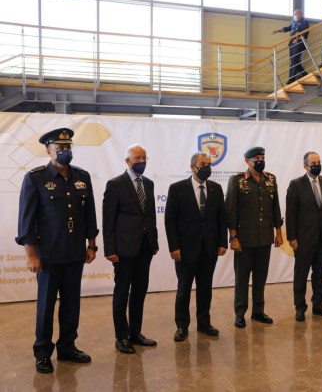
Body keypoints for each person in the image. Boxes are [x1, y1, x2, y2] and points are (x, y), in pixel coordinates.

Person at [16, 128, 98, 374]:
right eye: (60, 148)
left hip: (74, 253)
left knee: (71, 304)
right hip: (48, 255)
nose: (65, 152)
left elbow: (90, 214)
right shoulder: (36, 178)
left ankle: (67, 347)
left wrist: (91, 244)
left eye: (68, 147)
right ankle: (43, 353)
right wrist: (31, 254)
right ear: (48, 151)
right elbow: (26, 219)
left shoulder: (82, 176)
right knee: (46, 305)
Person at [165, 152, 228, 342]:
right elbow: (170, 220)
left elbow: (221, 218)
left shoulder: (216, 188)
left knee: (205, 288)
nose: (207, 168)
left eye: (209, 164)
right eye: (203, 164)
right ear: (193, 167)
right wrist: (174, 247)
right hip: (185, 250)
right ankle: (182, 326)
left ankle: (204, 323)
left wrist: (222, 242)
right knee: (184, 289)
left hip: (209, 249)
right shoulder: (177, 188)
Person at [103, 144, 159, 354]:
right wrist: (110, 249)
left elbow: (150, 215)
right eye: (137, 158)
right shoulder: (115, 184)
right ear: (127, 161)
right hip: (123, 249)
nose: (141, 161)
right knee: (121, 293)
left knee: (139, 292)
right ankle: (122, 336)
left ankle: (136, 333)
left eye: (144, 157)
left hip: (145, 248)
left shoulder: (149, 183)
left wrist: (154, 242)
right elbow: (108, 220)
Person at [226, 146, 283, 328]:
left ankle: (258, 311)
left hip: (265, 237)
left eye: (262, 158)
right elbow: (231, 210)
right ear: (247, 161)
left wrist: (278, 232)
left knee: (260, 278)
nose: (260, 161)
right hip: (244, 239)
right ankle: (240, 313)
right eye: (256, 159)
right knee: (242, 279)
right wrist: (233, 237)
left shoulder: (270, 179)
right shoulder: (237, 180)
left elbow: (275, 207)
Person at [286, 151, 322, 322]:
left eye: (319, 162)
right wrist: (292, 237)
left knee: (320, 273)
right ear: (305, 166)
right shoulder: (296, 184)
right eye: (313, 164)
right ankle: (300, 307)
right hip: (303, 239)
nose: (317, 166)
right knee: (301, 274)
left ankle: (318, 304)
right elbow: (291, 213)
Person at [273, 9, 310, 85]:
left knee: (294, 60)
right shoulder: (294, 23)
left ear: (300, 14)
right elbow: (287, 28)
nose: (294, 16)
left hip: (299, 44)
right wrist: (277, 31)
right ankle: (304, 74)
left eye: (295, 14)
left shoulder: (304, 22)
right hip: (292, 44)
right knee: (294, 61)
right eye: (294, 14)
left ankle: (292, 79)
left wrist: (298, 39)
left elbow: (305, 34)